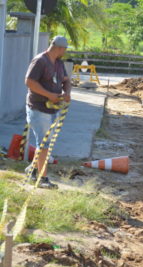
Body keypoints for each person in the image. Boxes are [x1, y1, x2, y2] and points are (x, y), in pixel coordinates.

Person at [24, 36, 71, 189]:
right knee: (44, 144)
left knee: (44, 142)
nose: (64, 52)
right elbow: (29, 81)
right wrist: (49, 95)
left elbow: (66, 80)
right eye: (64, 49)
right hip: (38, 108)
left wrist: (67, 92)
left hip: (51, 109)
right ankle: (42, 179)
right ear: (60, 48)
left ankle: (32, 170)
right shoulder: (40, 61)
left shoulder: (58, 63)